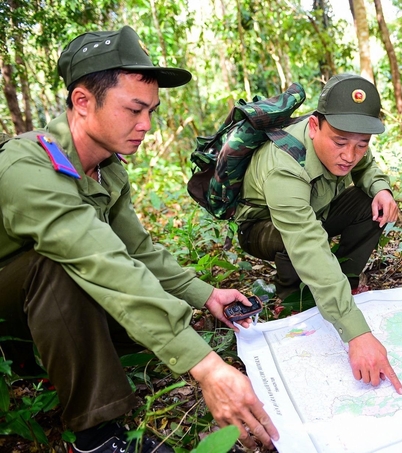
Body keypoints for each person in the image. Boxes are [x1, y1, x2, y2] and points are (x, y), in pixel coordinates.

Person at [0, 26, 278, 452]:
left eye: (151, 110)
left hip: (48, 307)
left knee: (144, 322)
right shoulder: (27, 166)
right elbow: (100, 259)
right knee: (55, 264)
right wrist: (206, 368)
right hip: (13, 307)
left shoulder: (107, 169)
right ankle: (97, 436)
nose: (146, 125)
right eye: (133, 109)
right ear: (82, 102)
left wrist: (205, 295)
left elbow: (137, 250)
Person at [234, 73, 402, 395]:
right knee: (301, 244)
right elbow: (307, 242)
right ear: (314, 127)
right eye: (340, 143)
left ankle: (345, 283)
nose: (349, 155)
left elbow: (366, 166)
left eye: (361, 144)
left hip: (317, 212)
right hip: (264, 226)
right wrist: (356, 333)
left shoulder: (349, 140)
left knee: (370, 203)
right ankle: (291, 301)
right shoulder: (285, 165)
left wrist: (381, 189)